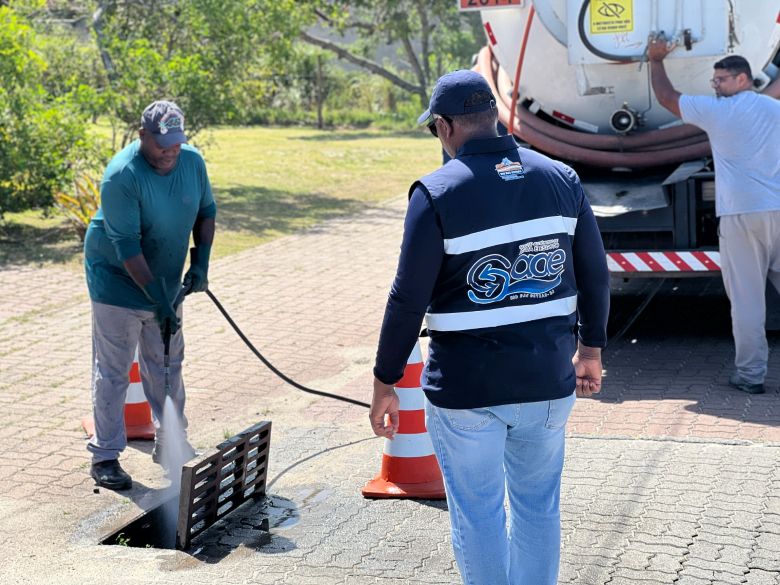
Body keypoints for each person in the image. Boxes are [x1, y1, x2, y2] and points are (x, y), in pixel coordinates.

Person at [369, 70, 610, 585]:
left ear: (445, 127)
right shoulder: (562, 179)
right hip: (547, 383)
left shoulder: (435, 193)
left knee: (479, 515)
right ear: (495, 118)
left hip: (467, 392)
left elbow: (407, 299)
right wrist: (590, 350)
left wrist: (385, 381)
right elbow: (594, 274)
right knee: (538, 509)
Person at [84, 100, 216, 490]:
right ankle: (105, 456)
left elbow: (206, 211)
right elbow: (126, 247)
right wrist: (158, 302)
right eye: (161, 144)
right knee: (115, 370)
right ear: (142, 136)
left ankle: (170, 441)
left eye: (176, 142)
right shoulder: (122, 176)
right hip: (116, 280)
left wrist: (201, 265)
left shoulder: (191, 162)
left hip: (165, 277)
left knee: (166, 363)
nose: (170, 151)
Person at [648, 38, 780, 395]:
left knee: (749, 301)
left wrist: (655, 60)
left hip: (741, 214)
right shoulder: (774, 109)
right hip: (778, 210)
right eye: (714, 80)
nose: (715, 85)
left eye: (721, 79)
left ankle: (751, 376)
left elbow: (667, 98)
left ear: (742, 80)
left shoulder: (720, 112)